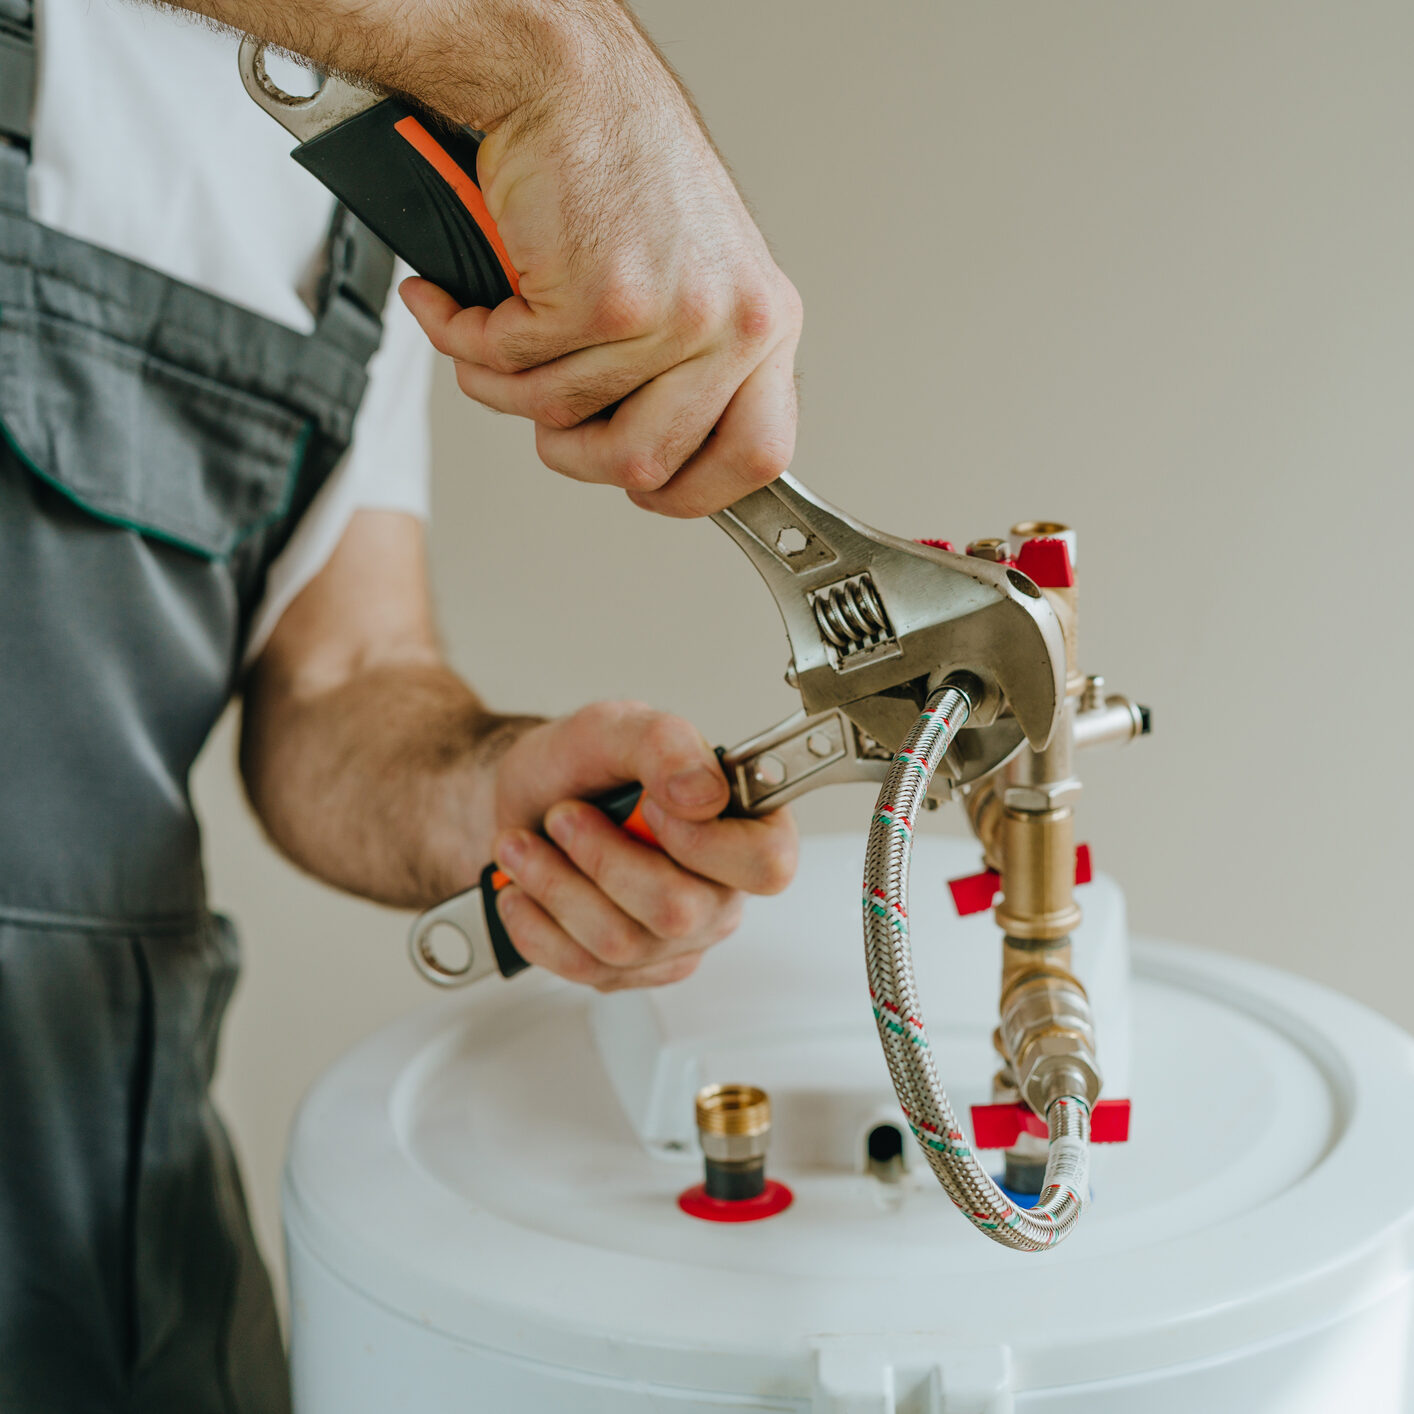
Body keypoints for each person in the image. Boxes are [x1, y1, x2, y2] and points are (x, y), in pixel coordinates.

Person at [0, 0, 801, 1407]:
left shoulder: (358, 157)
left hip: (104, 1255)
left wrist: (488, 795)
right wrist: (568, 66)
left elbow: (341, 673)